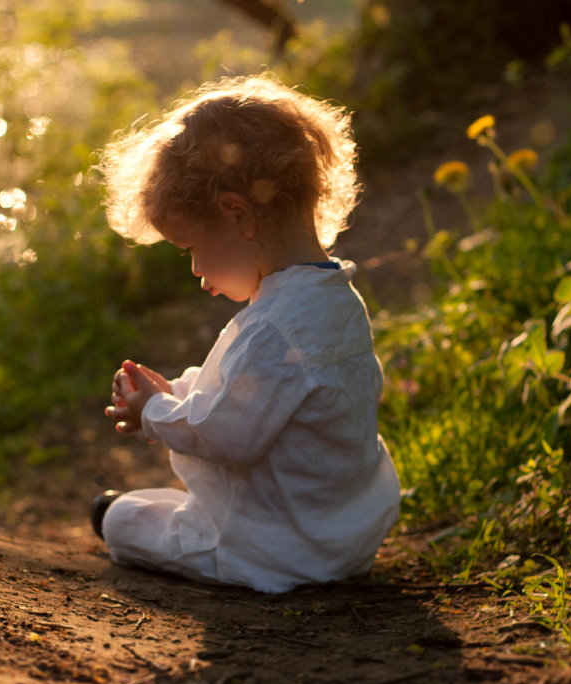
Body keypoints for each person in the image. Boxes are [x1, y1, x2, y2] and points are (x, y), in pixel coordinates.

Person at [94, 74, 399, 594]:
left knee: (122, 519)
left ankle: (114, 517)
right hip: (343, 533)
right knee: (164, 505)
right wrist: (180, 393)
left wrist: (155, 412)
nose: (194, 269)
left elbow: (227, 435)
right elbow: (256, 397)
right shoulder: (336, 299)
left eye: (190, 247)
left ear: (238, 214)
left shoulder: (273, 326)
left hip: (277, 550)